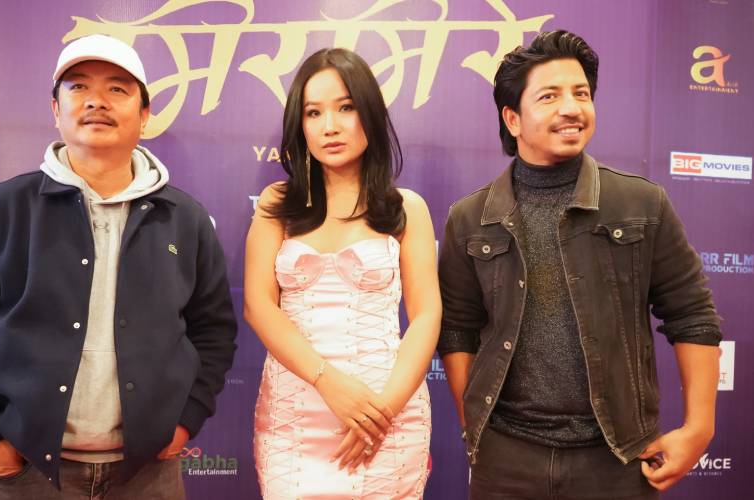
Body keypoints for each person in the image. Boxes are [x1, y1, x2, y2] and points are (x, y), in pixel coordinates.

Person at [0, 34, 237, 499]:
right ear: (56, 109)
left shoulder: (184, 218)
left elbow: (213, 330)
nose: (96, 101)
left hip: (148, 473)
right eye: (78, 87)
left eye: (117, 89)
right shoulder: (3, 208)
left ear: (145, 114)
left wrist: (186, 421)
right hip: (27, 471)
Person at [437, 30, 721, 499]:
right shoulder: (470, 218)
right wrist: (476, 425)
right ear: (512, 118)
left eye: (581, 93)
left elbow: (693, 315)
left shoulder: (641, 203)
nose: (571, 108)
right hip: (506, 460)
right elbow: (457, 331)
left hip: (617, 457)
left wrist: (700, 426)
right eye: (549, 96)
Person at [244, 47, 441, 499]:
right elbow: (258, 305)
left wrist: (382, 410)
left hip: (386, 411)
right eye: (314, 113)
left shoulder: (407, 208)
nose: (329, 126)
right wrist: (329, 384)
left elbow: (427, 316)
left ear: (369, 113)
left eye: (346, 108)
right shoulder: (277, 204)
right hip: (295, 417)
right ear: (300, 125)